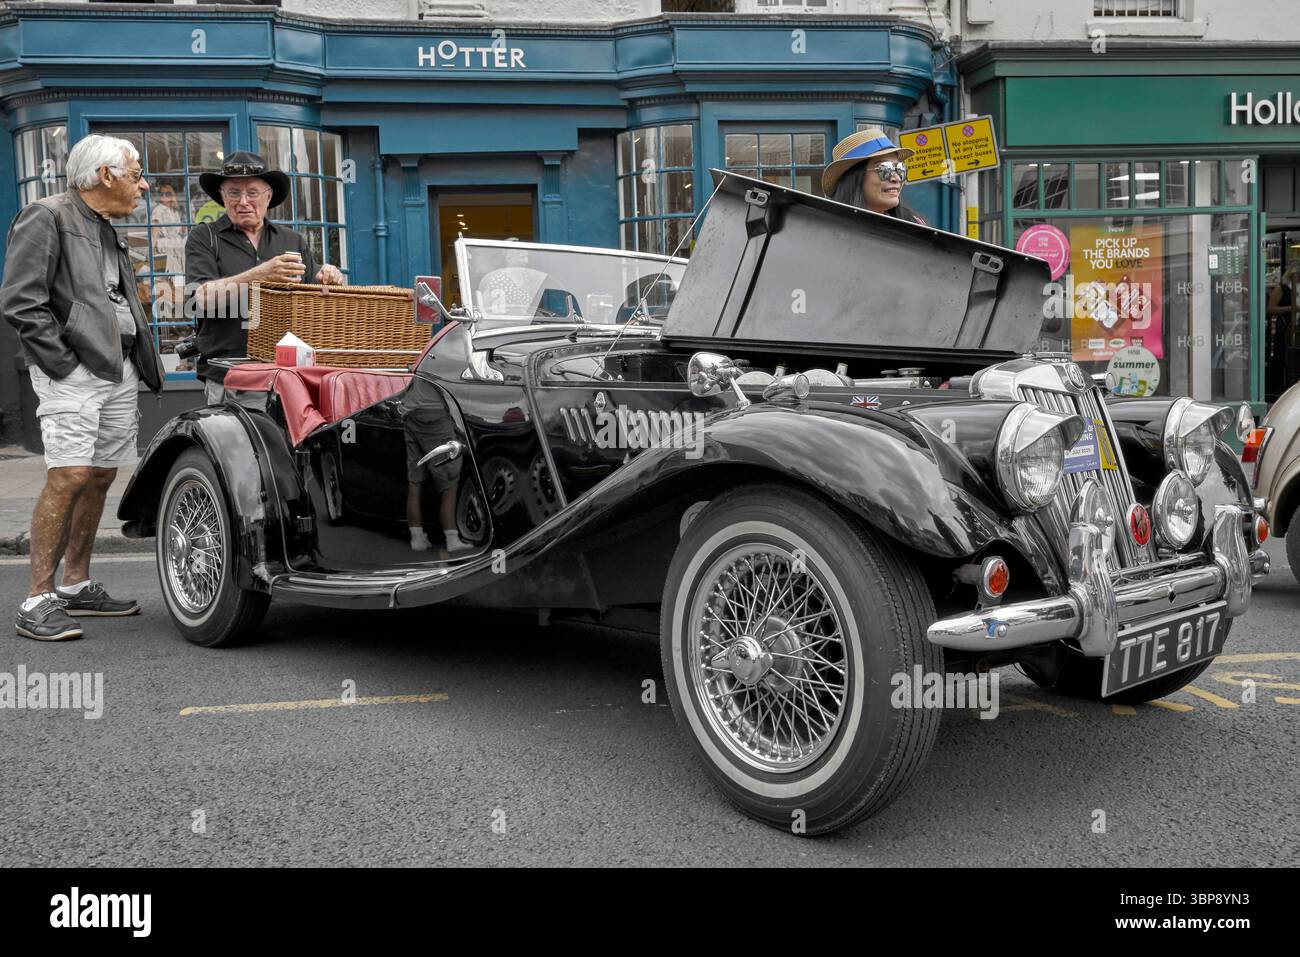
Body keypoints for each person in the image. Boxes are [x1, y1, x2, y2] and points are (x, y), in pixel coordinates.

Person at [1, 133, 165, 641]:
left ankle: (75, 584)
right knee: (68, 474)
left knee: (97, 476)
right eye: (136, 173)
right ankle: (36, 600)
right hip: (74, 373)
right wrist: (64, 365)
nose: (143, 183)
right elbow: (21, 301)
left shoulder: (107, 227)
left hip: (117, 370)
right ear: (105, 176)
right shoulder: (46, 216)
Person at [184, 151, 345, 404]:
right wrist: (262, 273)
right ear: (222, 197)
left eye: (253, 193)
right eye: (234, 193)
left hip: (290, 376)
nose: (243, 201)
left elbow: (316, 296)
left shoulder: (291, 240)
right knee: (238, 444)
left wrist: (331, 276)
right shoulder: (205, 237)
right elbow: (198, 299)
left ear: (268, 197)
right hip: (232, 376)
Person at [822, 127, 928, 226]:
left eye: (900, 169)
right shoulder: (830, 230)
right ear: (855, 179)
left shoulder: (915, 225)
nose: (897, 178)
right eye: (885, 168)